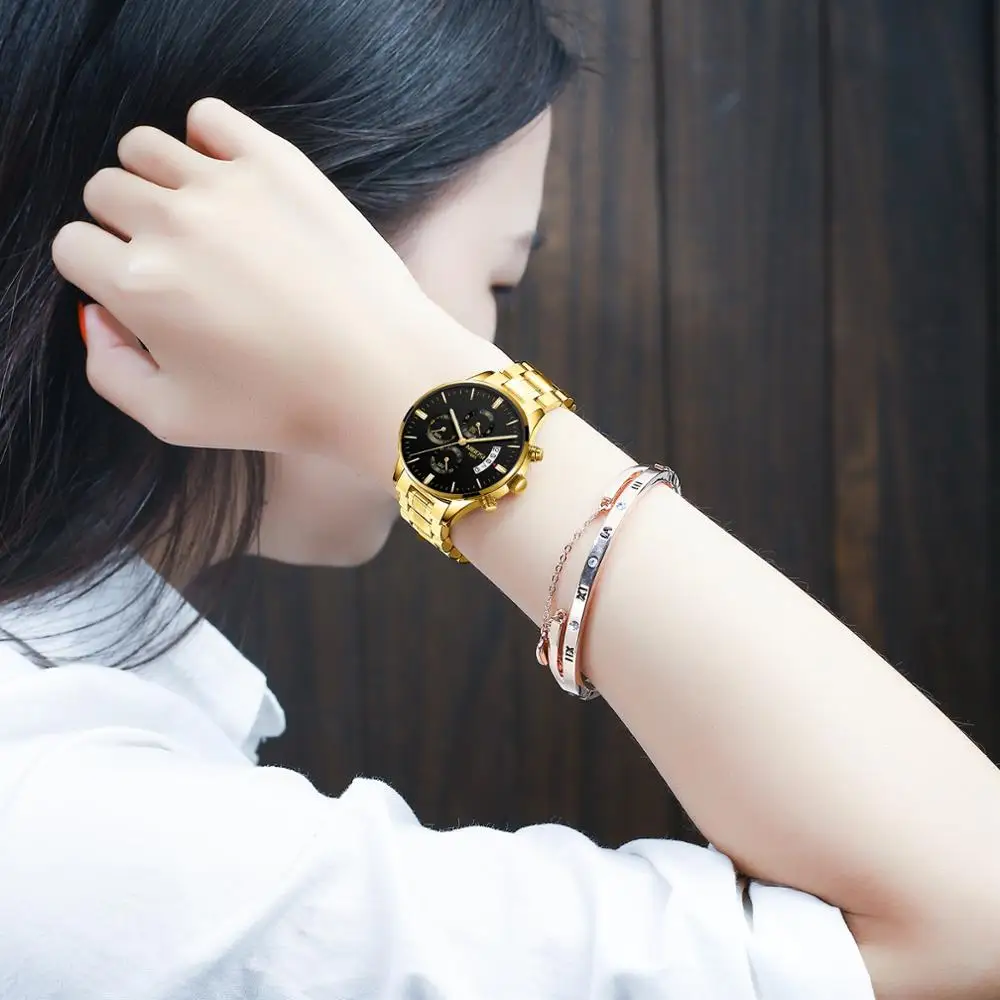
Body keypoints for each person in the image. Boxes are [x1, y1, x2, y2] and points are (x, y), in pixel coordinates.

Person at [1, 2, 999, 998]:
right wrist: (413, 388)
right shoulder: (89, 843)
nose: (492, 349)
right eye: (499, 280)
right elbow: (972, 913)